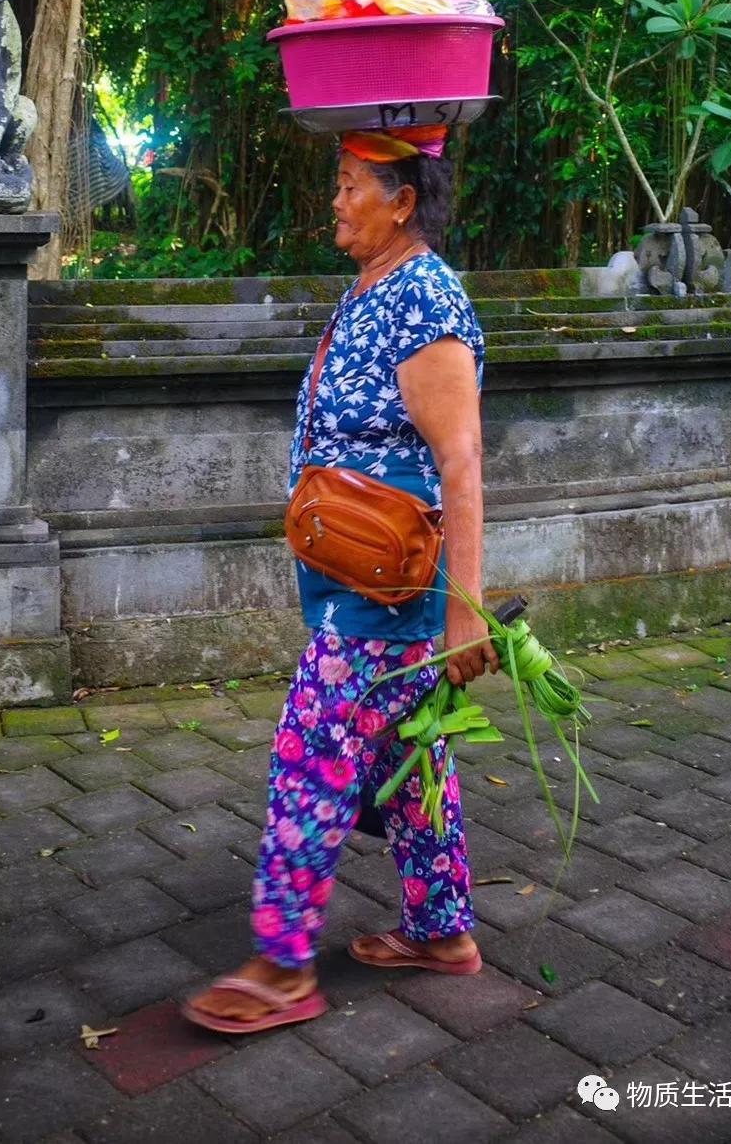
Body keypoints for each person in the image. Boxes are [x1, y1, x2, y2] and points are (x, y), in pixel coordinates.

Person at [183, 125, 498, 1035]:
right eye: (340, 181)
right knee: (406, 758)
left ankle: (282, 965)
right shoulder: (373, 287)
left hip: (391, 589)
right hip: (348, 571)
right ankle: (442, 934)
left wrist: (465, 616)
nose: (336, 200)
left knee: (312, 753)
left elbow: (462, 463)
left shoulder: (426, 298)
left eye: (353, 184)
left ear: (403, 201)